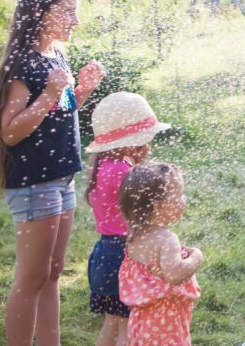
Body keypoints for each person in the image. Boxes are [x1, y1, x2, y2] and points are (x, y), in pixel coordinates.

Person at [0, 0, 106, 346]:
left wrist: (80, 91)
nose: (76, 21)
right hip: (33, 183)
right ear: (41, 13)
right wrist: (50, 93)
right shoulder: (22, 63)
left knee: (53, 273)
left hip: (61, 178)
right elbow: (10, 130)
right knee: (32, 278)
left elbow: (62, 109)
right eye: (69, 12)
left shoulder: (56, 55)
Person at [84, 92, 173, 346]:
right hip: (124, 255)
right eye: (144, 140)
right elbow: (146, 215)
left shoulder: (100, 166)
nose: (147, 146)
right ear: (129, 141)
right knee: (128, 329)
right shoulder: (125, 172)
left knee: (111, 324)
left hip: (103, 253)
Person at [118, 162, 203, 346]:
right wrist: (196, 257)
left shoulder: (134, 237)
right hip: (166, 323)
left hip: (141, 321)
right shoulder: (167, 239)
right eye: (179, 195)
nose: (184, 200)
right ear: (157, 206)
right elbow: (174, 274)